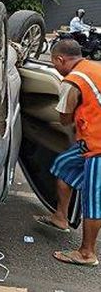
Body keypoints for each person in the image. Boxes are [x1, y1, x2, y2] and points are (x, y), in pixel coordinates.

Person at [34, 39, 101, 267]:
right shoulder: (94, 67)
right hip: (90, 139)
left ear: (60, 59)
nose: (55, 68)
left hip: (98, 146)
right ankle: (60, 217)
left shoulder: (73, 82)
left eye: (54, 63)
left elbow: (64, 119)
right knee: (63, 166)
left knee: (94, 198)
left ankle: (87, 253)